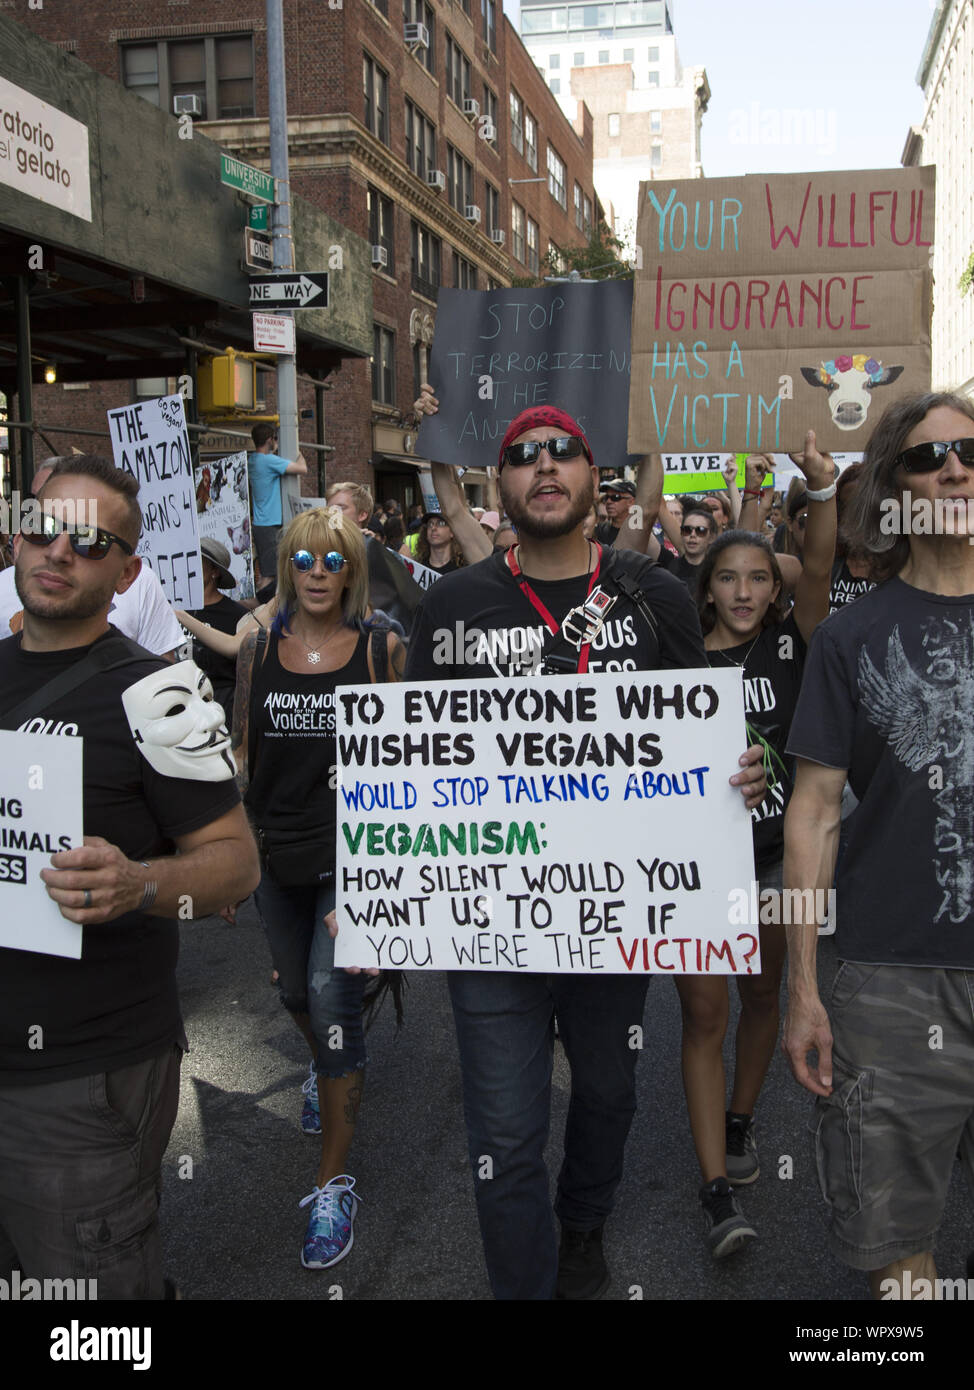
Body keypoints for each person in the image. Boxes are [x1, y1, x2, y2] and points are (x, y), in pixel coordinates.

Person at [398, 402, 768, 1300]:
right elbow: (415, 762)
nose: (545, 464)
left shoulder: (656, 593)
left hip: (621, 915)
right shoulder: (454, 605)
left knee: (606, 1095)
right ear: (502, 485)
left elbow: (703, 730)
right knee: (505, 1136)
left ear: (593, 476)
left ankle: (585, 1225)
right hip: (491, 925)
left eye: (564, 450)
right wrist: (386, 860)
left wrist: (738, 772)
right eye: (523, 455)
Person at [0, 455, 259, 1299]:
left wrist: (137, 884)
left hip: (79, 1076)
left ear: (127, 569)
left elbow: (235, 864)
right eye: (42, 526)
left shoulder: (161, 693)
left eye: (88, 539)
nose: (56, 551)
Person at [782, 392, 974, 1302]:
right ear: (895, 485)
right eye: (930, 457)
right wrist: (805, 990)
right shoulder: (852, 638)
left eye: (972, 455)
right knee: (902, 1253)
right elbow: (814, 813)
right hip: (891, 985)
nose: (956, 470)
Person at [230, 506, 405, 1271]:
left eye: (335, 561)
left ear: (353, 569)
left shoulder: (381, 647)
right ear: (286, 568)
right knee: (297, 998)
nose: (319, 575)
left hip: (351, 859)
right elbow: (243, 751)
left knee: (331, 1001)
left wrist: (392, 878)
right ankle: (322, 1061)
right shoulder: (257, 645)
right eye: (305, 561)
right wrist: (227, 851)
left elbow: (414, 761)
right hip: (275, 855)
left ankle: (333, 1180)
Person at [676, 432, 836, 1258]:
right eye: (728, 577)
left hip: (776, 861)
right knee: (704, 1010)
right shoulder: (677, 661)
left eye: (759, 577)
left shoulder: (794, 640)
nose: (743, 590)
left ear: (780, 588)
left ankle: (740, 1120)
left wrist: (822, 485)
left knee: (764, 997)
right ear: (705, 589)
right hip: (698, 866)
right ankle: (713, 1193)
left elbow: (822, 550)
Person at [181, 538, 248, 726]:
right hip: (183, 708)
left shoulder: (238, 616)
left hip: (221, 711)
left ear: (214, 571)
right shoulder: (174, 610)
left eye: (196, 560)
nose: (189, 566)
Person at [248, 424, 308, 583]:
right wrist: (297, 451)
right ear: (269, 440)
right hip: (269, 524)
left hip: (261, 523)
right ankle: (264, 607)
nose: (276, 442)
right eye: (275, 439)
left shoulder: (253, 460)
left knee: (268, 571)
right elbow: (302, 469)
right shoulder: (269, 461)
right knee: (270, 574)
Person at [407, 511, 465, 575]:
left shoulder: (462, 567)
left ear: (452, 532)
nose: (433, 528)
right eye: (430, 524)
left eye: (441, 523)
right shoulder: (418, 568)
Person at [595, 477, 636, 545]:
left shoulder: (639, 533)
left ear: (631, 502)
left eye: (616, 497)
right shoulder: (598, 530)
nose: (608, 501)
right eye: (606, 497)